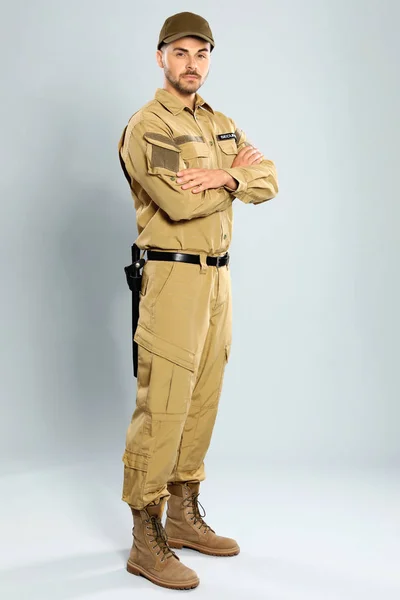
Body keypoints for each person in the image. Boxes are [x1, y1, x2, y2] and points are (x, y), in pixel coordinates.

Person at [118, 11, 279, 590]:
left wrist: (222, 178)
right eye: (180, 52)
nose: (192, 64)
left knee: (203, 398)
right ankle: (145, 536)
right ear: (160, 56)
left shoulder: (222, 122)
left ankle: (184, 517)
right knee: (164, 399)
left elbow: (270, 179)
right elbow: (177, 204)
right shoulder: (148, 126)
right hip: (171, 276)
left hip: (217, 280)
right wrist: (229, 177)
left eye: (202, 53)